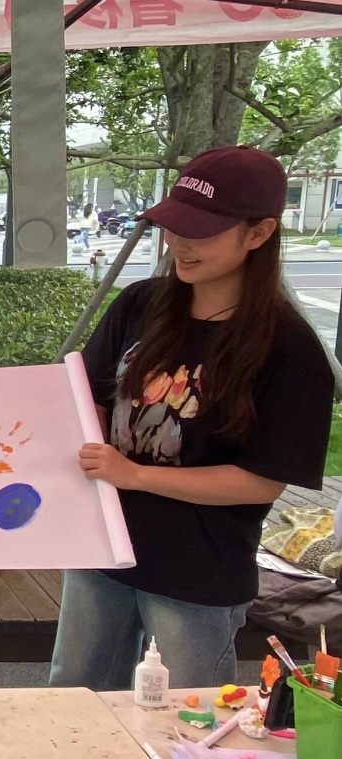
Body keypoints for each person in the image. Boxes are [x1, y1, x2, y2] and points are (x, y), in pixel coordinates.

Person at [49, 145, 333, 691]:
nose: (179, 243)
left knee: (187, 714)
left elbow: (260, 482)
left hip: (198, 571)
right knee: (76, 696)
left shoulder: (289, 350)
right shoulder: (141, 303)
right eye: (173, 226)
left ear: (259, 233)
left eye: (201, 231)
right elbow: (90, 397)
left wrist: (134, 474)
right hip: (102, 548)